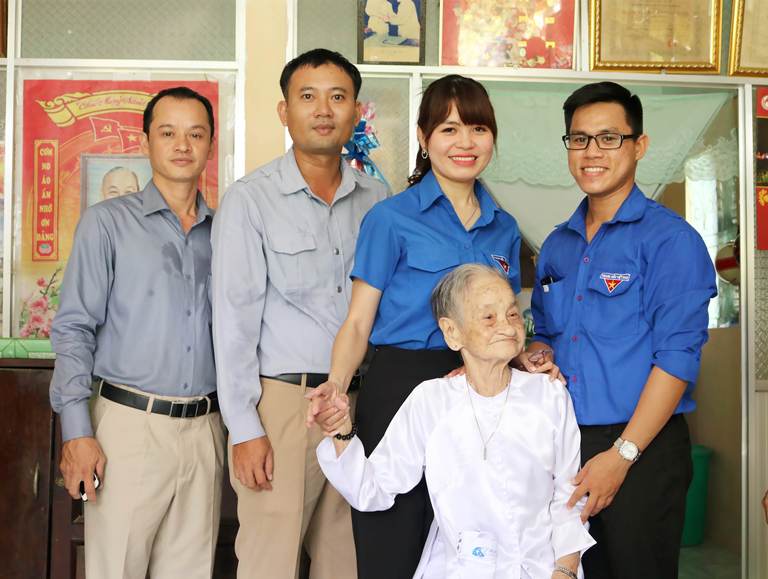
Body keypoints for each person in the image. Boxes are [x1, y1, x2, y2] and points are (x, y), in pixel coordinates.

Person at [308, 74, 558, 579]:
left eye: (478, 129)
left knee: (476, 541)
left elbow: (503, 319)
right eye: (449, 129)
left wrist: (525, 355)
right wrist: (336, 386)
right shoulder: (391, 218)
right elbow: (358, 321)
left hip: (479, 391)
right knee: (393, 537)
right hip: (401, 384)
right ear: (424, 138)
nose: (465, 142)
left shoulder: (504, 227)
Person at [529, 81, 717, 579]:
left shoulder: (671, 241)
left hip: (642, 449)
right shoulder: (558, 245)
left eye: (609, 138)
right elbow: (544, 331)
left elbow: (677, 358)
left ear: (639, 146)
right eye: (579, 139)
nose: (592, 152)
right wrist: (537, 354)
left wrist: (622, 455)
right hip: (565, 446)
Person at [211, 48, 388, 579]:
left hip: (358, 405)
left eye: (338, 97)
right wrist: (245, 428)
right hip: (283, 408)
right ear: (284, 112)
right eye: (307, 97)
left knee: (347, 562)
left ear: (355, 111)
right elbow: (233, 322)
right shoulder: (250, 200)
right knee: (271, 562)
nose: (323, 110)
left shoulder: (379, 200)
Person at [312, 264, 594, 579]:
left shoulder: (548, 395)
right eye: (489, 317)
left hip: (543, 569)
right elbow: (373, 488)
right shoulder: (432, 401)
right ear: (452, 332)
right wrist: (341, 431)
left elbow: (569, 497)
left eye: (513, 314)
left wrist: (565, 570)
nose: (506, 325)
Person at [50, 86, 223, 579]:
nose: (182, 145)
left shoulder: (226, 231)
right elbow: (74, 329)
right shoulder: (106, 223)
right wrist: (77, 432)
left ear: (210, 145)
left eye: (196, 134)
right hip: (128, 427)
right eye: (168, 133)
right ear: (146, 142)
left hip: (206, 430)